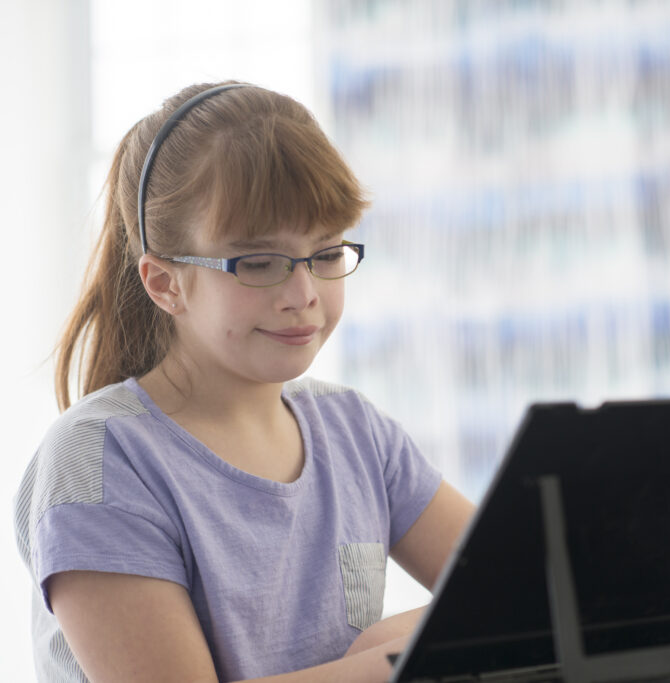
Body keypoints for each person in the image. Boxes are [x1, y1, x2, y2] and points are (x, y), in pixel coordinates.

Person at [13, 81, 475, 682]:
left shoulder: (355, 430)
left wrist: (396, 639)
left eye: (327, 254)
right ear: (165, 283)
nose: (304, 295)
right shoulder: (99, 456)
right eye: (259, 263)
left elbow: (529, 593)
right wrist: (401, 658)